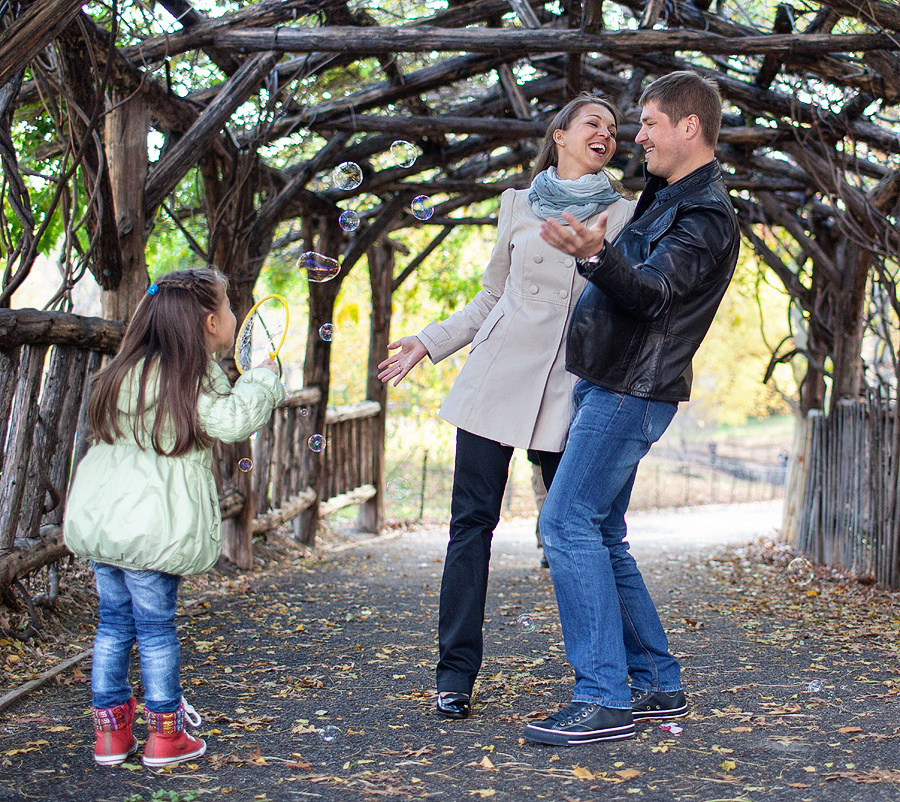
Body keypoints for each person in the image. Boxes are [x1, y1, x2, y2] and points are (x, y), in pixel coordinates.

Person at [377, 93, 636, 720]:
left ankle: (609, 676)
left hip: (570, 393)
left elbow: (632, 297)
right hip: (493, 383)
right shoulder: (516, 206)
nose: (605, 133)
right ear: (560, 134)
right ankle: (454, 675)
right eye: (592, 124)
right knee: (471, 526)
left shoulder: (626, 213)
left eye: (613, 127)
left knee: (583, 531)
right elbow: (492, 294)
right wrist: (428, 341)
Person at [522, 71, 741, 746]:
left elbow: (651, 294)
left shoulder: (705, 214)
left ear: (688, 127)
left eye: (646, 123)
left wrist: (595, 257)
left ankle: (603, 699)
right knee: (601, 534)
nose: (634, 136)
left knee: (565, 525)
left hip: (631, 391)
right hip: (613, 382)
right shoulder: (671, 194)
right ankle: (655, 683)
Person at [64, 268, 284, 767]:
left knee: (114, 626)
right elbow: (231, 420)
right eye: (229, 309)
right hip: (152, 529)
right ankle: (166, 735)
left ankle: (111, 734)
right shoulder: (187, 377)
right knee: (157, 628)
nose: (233, 317)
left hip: (104, 524)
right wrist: (263, 382)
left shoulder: (124, 369)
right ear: (210, 323)